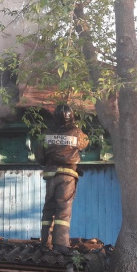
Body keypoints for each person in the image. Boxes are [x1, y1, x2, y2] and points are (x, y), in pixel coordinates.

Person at [36, 104, 89, 254]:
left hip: (51, 174)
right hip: (67, 176)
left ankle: (45, 242)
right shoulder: (76, 133)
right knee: (63, 210)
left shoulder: (46, 133)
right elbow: (85, 142)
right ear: (71, 117)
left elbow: (39, 156)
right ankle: (61, 244)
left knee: (48, 209)